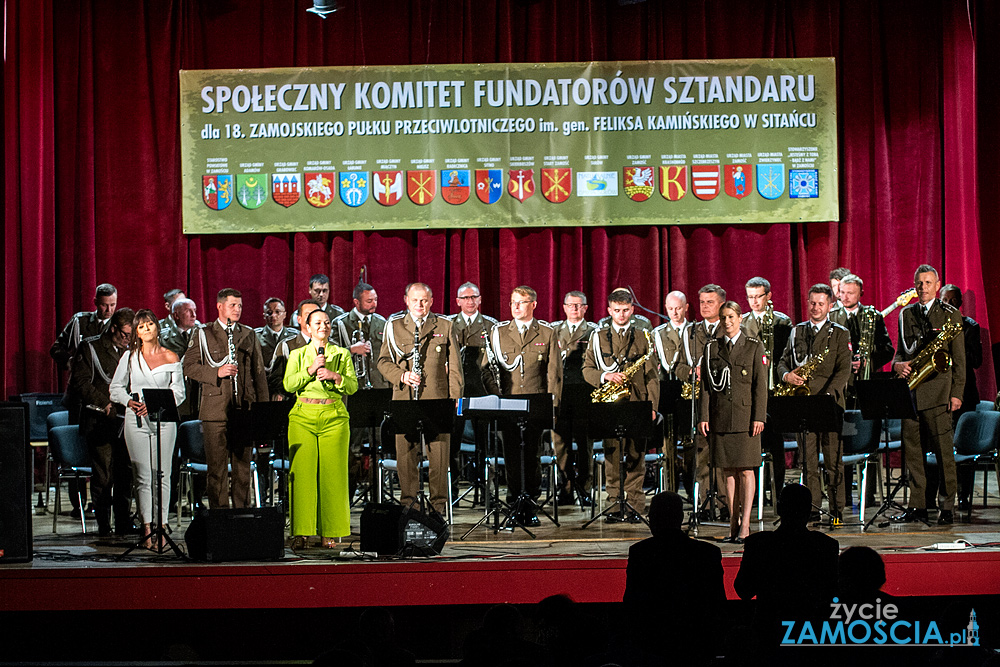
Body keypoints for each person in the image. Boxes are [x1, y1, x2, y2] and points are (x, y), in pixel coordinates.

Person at [376, 282, 463, 516]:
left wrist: (455, 396)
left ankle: (438, 509)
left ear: (431, 301)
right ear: (406, 300)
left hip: (437, 399)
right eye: (415, 300)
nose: (419, 305)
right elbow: (383, 361)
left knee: (439, 458)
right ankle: (409, 507)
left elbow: (455, 365)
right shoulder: (393, 327)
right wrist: (401, 375)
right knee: (406, 458)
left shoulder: (444, 325)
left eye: (424, 300)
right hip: (404, 399)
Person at [482, 285, 562, 526]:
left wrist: (553, 406)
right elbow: (487, 370)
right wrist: (497, 398)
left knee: (532, 455)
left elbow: (554, 374)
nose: (516, 307)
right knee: (512, 455)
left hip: (535, 403)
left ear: (533, 305)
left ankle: (530, 504)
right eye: (513, 302)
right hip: (508, 403)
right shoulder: (498, 332)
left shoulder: (546, 332)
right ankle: (514, 500)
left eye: (522, 302)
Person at [892, 265, 965, 525]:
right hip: (910, 393)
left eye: (927, 282)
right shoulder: (905, 313)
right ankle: (918, 505)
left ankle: (947, 507)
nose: (922, 288)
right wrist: (897, 365)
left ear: (937, 285)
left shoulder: (950, 314)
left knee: (945, 454)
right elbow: (900, 352)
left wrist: (956, 393)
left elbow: (959, 359)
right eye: (918, 283)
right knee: (913, 454)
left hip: (938, 393)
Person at [182, 288, 269, 509]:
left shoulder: (248, 333)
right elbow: (188, 366)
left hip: (244, 408)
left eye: (240, 306)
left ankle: (242, 515)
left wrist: (263, 411)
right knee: (217, 470)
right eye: (232, 305)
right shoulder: (204, 333)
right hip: (215, 410)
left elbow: (259, 374)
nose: (237, 310)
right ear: (220, 306)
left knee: (242, 468)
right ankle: (219, 517)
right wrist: (215, 373)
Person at [109, 310, 185, 548]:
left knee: (162, 475)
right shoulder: (130, 357)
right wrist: (129, 402)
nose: (146, 329)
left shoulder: (171, 356)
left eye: (150, 324)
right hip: (137, 422)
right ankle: (147, 528)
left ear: (157, 327)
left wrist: (155, 403)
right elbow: (115, 388)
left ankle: (162, 527)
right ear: (137, 332)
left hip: (164, 421)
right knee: (142, 476)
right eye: (141, 327)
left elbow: (179, 393)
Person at [776, 284, 852, 522]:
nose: (816, 307)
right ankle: (812, 508)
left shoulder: (840, 333)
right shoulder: (797, 331)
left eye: (821, 303)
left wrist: (827, 396)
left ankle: (837, 510)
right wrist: (786, 375)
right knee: (807, 461)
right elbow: (782, 362)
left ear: (830, 306)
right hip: (803, 406)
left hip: (829, 405)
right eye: (812, 303)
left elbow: (844, 370)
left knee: (833, 461)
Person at [283, 308, 358, 549]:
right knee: (303, 475)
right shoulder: (298, 354)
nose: (323, 326)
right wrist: (310, 369)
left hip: (333, 417)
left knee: (333, 476)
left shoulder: (341, 353)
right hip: (303, 417)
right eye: (317, 323)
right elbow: (288, 384)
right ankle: (302, 532)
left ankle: (331, 531)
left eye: (326, 322)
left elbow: (353, 386)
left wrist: (336, 377)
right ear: (307, 327)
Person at [582, 289, 658, 521]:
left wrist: (652, 407)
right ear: (609, 311)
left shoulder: (644, 335)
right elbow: (586, 369)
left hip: (637, 401)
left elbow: (652, 375)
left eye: (626, 310)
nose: (621, 315)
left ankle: (634, 504)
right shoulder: (598, 336)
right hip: (610, 404)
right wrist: (605, 377)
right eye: (617, 311)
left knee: (637, 454)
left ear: (632, 310)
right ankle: (614, 504)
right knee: (612, 454)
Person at [623, 491, 724, 661]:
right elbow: (718, 605)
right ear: (681, 517)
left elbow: (632, 603)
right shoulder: (708, 553)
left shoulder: (641, 553)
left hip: (653, 644)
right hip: (698, 643)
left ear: (653, 518)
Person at [698, 301, 767, 542]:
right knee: (727, 471)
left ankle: (746, 523)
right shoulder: (711, 349)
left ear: (740, 318)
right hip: (721, 417)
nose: (727, 322)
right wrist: (703, 416)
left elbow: (760, 386)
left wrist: (759, 416)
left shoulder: (753, 347)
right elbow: (706, 387)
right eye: (723, 317)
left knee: (746, 470)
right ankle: (732, 524)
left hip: (746, 418)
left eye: (731, 317)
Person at [734, 484, 840, 633]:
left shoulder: (759, 544)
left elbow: (743, 591)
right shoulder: (825, 545)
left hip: (769, 631)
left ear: (780, 509)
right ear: (809, 511)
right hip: (812, 633)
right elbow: (833, 593)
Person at [68, 308, 135, 536]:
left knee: (125, 473)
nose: (129, 339)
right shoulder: (91, 346)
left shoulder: (133, 348)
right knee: (103, 474)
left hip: (126, 419)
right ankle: (104, 524)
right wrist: (104, 402)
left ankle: (124, 522)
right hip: (100, 419)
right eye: (126, 334)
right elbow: (81, 382)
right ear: (114, 328)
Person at [331, 282, 389, 501]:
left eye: (375, 299)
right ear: (356, 302)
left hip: (377, 389)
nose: (374, 304)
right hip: (352, 393)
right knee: (353, 448)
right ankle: (348, 495)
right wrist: (351, 350)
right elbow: (330, 354)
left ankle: (378, 497)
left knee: (378, 446)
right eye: (369, 300)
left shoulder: (382, 322)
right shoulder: (340, 323)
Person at [741, 277, 794, 501]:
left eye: (758, 296)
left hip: (776, 391)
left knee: (777, 444)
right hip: (753, 391)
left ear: (769, 296)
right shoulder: (742, 322)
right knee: (753, 443)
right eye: (750, 297)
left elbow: (789, 355)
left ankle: (779, 490)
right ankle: (756, 495)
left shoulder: (782, 322)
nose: (754, 301)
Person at [447, 282, 497, 502]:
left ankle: (485, 489)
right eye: (465, 298)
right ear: (457, 301)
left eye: (473, 297)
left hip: (482, 391)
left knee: (484, 444)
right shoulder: (448, 325)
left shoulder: (491, 325)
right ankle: (452, 489)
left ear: (479, 300)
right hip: (455, 392)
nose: (469, 301)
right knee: (452, 443)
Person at [550, 291, 597, 507]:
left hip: (584, 393)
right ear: (564, 307)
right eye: (571, 305)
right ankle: (565, 489)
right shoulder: (554, 330)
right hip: (560, 394)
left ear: (586, 308)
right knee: (560, 444)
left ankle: (584, 489)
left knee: (584, 444)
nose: (575, 309)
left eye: (579, 306)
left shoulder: (594, 331)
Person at [940, 284, 983, 511]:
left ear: (959, 303)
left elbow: (976, 361)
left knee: (964, 449)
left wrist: (957, 346)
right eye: (944, 300)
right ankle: (940, 496)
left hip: (965, 394)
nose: (947, 304)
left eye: (951, 301)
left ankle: (964, 496)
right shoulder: (934, 327)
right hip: (940, 393)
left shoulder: (970, 327)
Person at [687, 284, 728, 516]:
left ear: (721, 304)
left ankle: (724, 503)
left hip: (723, 399)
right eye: (702, 302)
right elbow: (683, 363)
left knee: (722, 454)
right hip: (700, 399)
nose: (704, 306)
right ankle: (704, 501)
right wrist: (691, 371)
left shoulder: (729, 327)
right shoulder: (693, 331)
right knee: (701, 453)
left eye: (709, 302)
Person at [652, 290, 694, 496]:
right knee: (668, 444)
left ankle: (691, 485)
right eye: (670, 308)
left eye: (678, 308)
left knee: (690, 442)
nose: (674, 312)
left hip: (689, 393)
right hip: (667, 393)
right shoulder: (658, 333)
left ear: (686, 307)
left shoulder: (695, 331)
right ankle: (670, 491)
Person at [829, 274, 895, 395]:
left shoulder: (874, 316)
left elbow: (887, 350)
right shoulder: (831, 317)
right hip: (837, 383)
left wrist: (868, 361)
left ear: (861, 293)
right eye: (842, 292)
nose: (845, 297)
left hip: (866, 382)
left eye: (850, 293)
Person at [51, 283, 118, 371]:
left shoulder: (120, 324)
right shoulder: (79, 321)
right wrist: (70, 362)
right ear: (95, 302)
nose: (109, 310)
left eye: (112, 305)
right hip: (82, 379)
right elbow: (56, 348)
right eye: (104, 305)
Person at [267, 299, 320, 400]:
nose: (312, 318)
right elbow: (276, 379)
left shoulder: (332, 345)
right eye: (308, 314)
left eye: (316, 314)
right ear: (299, 319)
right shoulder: (286, 345)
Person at [255, 297, 298, 369]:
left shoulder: (294, 336)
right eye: (269, 313)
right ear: (264, 316)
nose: (273, 315)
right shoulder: (256, 336)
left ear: (284, 315)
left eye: (277, 312)